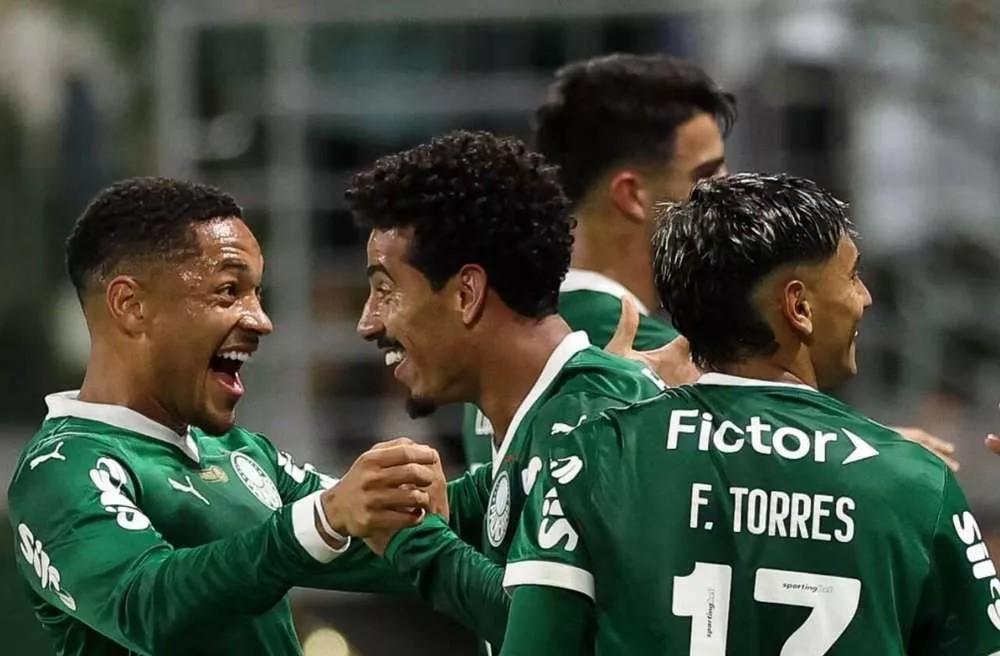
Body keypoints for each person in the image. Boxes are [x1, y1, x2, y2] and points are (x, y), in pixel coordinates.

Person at [500, 173, 1000, 655]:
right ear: (798, 307)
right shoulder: (913, 482)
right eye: (851, 276)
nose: (866, 298)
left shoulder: (590, 459)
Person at [7, 177, 445, 655]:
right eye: (229, 291)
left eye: (256, 293)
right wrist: (322, 518)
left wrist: (488, 489)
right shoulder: (62, 469)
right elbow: (146, 606)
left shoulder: (239, 452)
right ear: (131, 306)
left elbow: (376, 536)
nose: (261, 320)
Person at [346, 130, 668, 653]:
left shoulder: (591, 423)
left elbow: (548, 634)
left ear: (467, 294)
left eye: (385, 290)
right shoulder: (544, 423)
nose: (367, 322)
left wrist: (415, 544)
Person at [461, 53, 734, 465]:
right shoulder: (665, 363)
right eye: (706, 176)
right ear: (631, 195)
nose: (729, 193)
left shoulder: (492, 343)